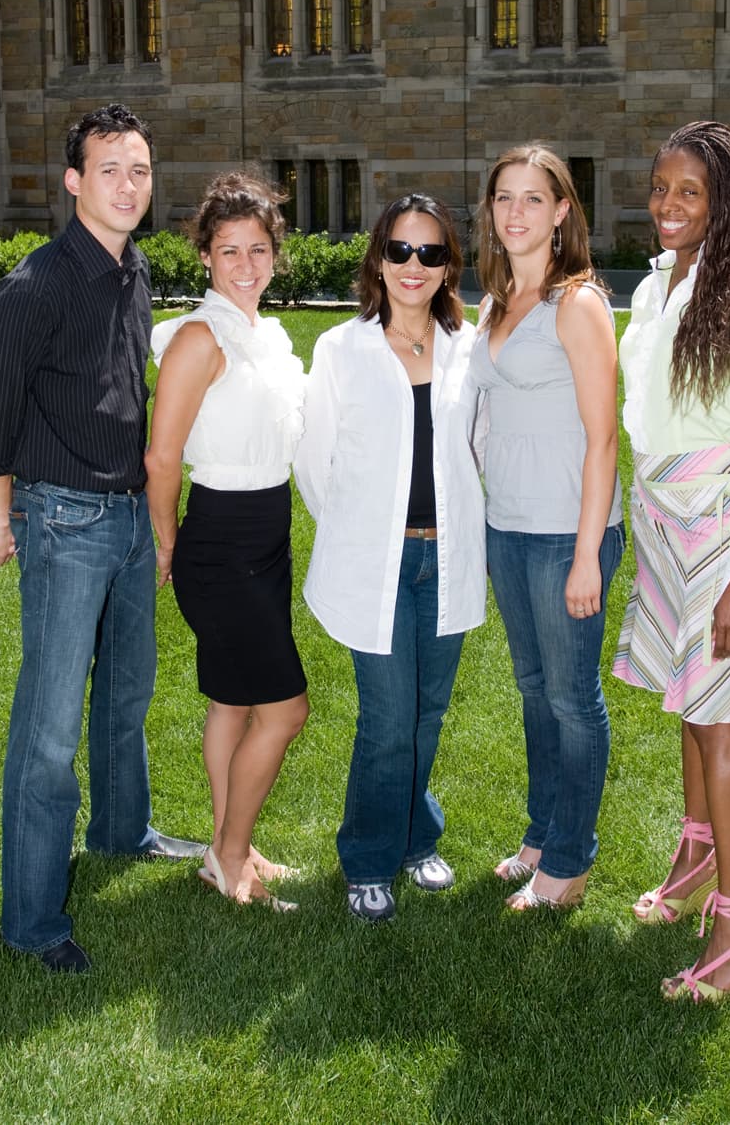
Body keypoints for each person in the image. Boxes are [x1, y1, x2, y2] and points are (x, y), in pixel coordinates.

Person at [0, 103, 203, 975]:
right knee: (50, 728)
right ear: (73, 182)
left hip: (130, 518)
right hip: (61, 522)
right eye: (110, 169)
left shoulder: (133, 271)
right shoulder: (36, 286)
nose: (128, 184)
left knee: (126, 695)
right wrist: (3, 516)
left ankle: (119, 831)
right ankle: (30, 919)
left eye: (139, 168)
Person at [613, 120, 730, 1003]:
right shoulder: (660, 286)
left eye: (689, 191)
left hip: (719, 527)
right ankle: (694, 857)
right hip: (661, 514)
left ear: (724, 202)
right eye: (659, 187)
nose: (668, 205)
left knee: (717, 715)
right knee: (687, 702)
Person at [294, 194, 485, 923]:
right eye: (400, 250)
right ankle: (368, 857)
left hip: (449, 559)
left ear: (446, 268)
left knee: (427, 711)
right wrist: (360, 533)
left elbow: (480, 447)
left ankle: (414, 837)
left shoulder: (469, 348)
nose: (413, 265)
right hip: (377, 565)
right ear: (378, 258)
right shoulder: (344, 350)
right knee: (387, 718)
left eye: (430, 253)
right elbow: (315, 464)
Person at [145, 172, 308, 912]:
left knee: (233, 702)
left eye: (258, 248)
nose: (245, 263)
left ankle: (226, 838)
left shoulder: (264, 335)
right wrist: (168, 543)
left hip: (266, 534)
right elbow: (161, 457)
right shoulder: (198, 337)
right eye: (228, 249)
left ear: (275, 254)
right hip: (218, 540)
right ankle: (230, 853)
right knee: (285, 708)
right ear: (204, 258)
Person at [469, 144, 624, 912]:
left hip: (570, 532)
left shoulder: (578, 303)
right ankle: (540, 831)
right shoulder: (497, 303)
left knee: (570, 698)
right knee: (533, 691)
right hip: (510, 526)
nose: (516, 212)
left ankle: (567, 861)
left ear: (562, 210)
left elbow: (603, 436)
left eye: (534, 198)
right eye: (504, 197)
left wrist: (589, 554)